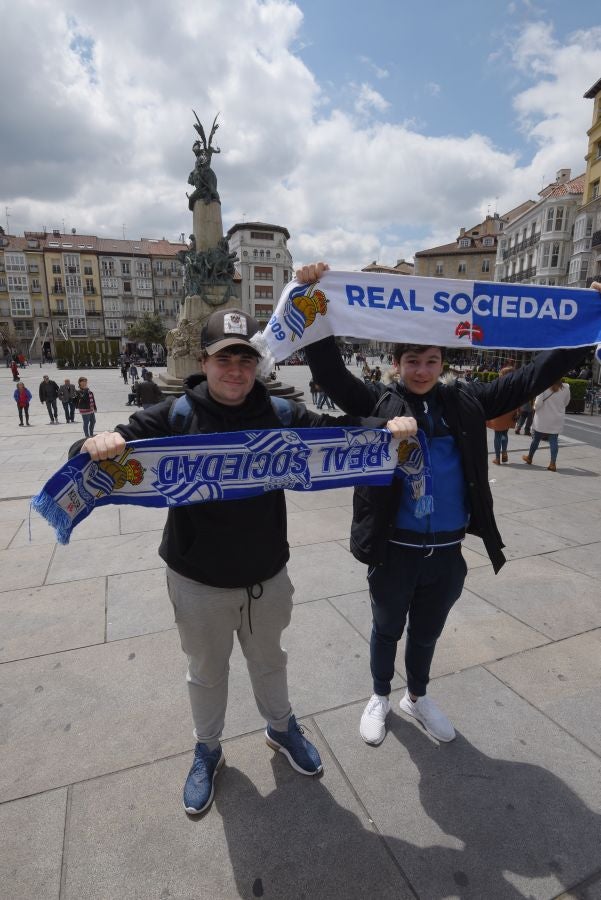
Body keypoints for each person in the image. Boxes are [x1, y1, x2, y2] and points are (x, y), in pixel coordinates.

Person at [76, 307, 409, 816]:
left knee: (270, 662)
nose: (236, 370)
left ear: (257, 364)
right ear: (205, 362)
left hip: (267, 579)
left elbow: (336, 434)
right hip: (197, 581)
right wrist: (94, 442)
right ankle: (207, 750)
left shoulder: (279, 413)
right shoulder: (175, 415)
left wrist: (388, 427)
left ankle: (281, 728)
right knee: (207, 673)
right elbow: (101, 450)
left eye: (246, 359)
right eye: (224, 358)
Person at [298, 261, 597, 748]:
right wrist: (311, 301)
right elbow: (330, 373)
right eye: (412, 361)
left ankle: (416, 696)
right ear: (397, 363)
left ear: (444, 364)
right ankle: (378, 695)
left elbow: (531, 378)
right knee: (387, 627)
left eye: (431, 361)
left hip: (447, 551)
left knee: (427, 633)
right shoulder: (377, 400)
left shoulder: (466, 401)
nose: (421, 370)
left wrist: (589, 324)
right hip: (395, 548)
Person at [522, 380, 571, 472]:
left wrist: (534, 407)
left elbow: (538, 404)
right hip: (556, 418)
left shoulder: (544, 386)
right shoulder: (566, 388)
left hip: (542, 418)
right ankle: (552, 463)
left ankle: (530, 457)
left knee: (536, 439)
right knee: (554, 440)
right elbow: (566, 403)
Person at [486, 366, 518, 465]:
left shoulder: (498, 384)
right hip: (510, 412)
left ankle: (497, 458)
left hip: (498, 412)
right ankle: (504, 452)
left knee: (498, 434)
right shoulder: (515, 385)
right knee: (504, 433)